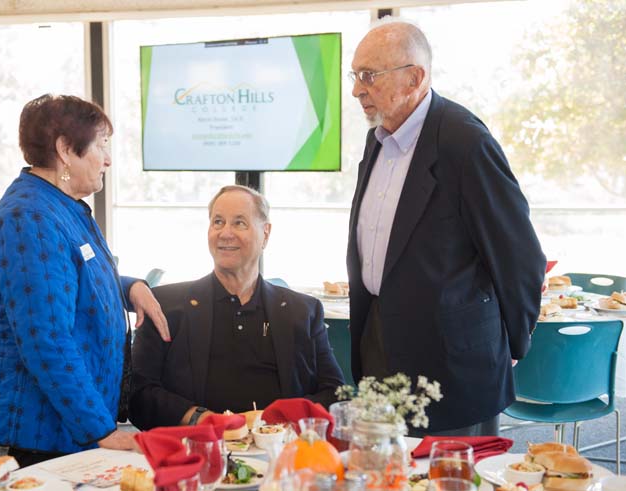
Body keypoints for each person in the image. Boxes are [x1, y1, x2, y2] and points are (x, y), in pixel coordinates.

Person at [346, 18, 546, 435]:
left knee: (450, 476)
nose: (356, 89)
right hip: (381, 342)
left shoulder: (464, 141)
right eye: (355, 76)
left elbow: (519, 254)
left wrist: (513, 341)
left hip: (453, 364)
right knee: (387, 471)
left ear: (415, 77)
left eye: (368, 76)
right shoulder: (377, 138)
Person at [0, 94, 170, 467]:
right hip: (49, 431)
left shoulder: (57, 204)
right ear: (66, 150)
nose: (109, 159)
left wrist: (130, 287)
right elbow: (45, 339)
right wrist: (102, 430)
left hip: (71, 423)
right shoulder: (29, 218)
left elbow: (71, 280)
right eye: (102, 145)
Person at [129, 185, 344, 430]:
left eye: (239, 223)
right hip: (197, 449)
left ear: (266, 233)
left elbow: (336, 394)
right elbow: (139, 395)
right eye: (218, 222)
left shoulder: (303, 311)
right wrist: (204, 418)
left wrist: (276, 419)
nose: (225, 233)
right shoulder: (165, 306)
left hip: (280, 451)